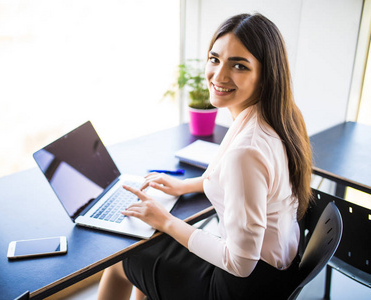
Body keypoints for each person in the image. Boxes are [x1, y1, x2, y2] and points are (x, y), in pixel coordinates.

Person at [97, 13, 312, 300]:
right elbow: (253, 185)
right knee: (150, 254)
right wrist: (185, 185)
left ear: (265, 76)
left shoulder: (246, 150)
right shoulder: (275, 118)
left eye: (239, 65)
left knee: (123, 261)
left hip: (240, 286)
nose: (219, 76)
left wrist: (168, 222)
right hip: (274, 274)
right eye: (215, 59)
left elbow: (241, 262)